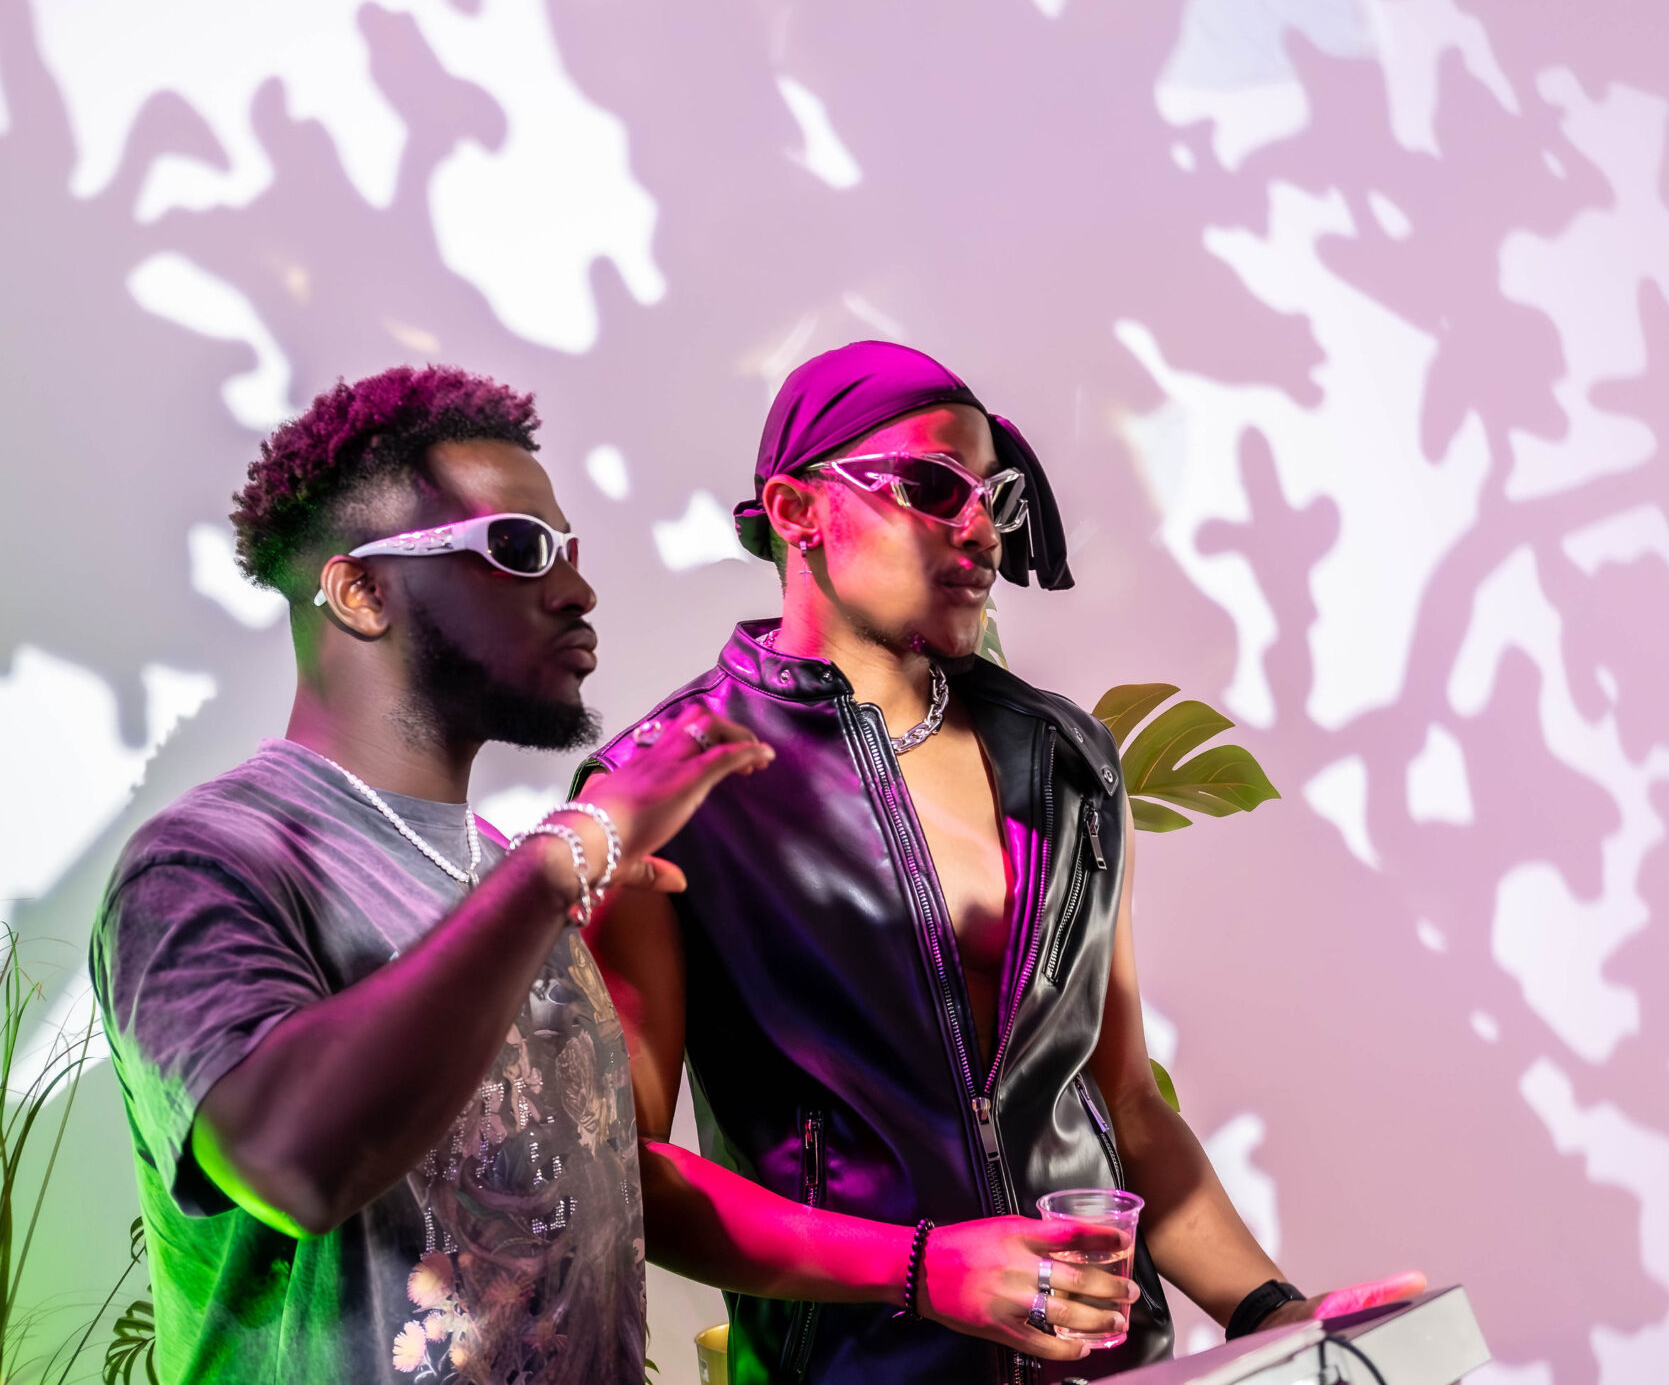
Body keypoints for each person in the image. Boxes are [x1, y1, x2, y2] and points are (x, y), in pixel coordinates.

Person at [577, 342, 1424, 1383]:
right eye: (931, 488)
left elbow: (1123, 1104)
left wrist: (1275, 1313)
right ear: (797, 511)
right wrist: (924, 1268)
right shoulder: (663, 789)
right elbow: (630, 1173)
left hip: (1102, 1368)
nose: (979, 529)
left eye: (995, 498)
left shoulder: (1061, 757)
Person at [90, 365, 773, 1384]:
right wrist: (558, 867)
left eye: (569, 553)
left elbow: (588, 1187)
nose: (579, 590)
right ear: (362, 591)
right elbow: (291, 1161)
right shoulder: (207, 862)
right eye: (517, 547)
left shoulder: (510, 878)